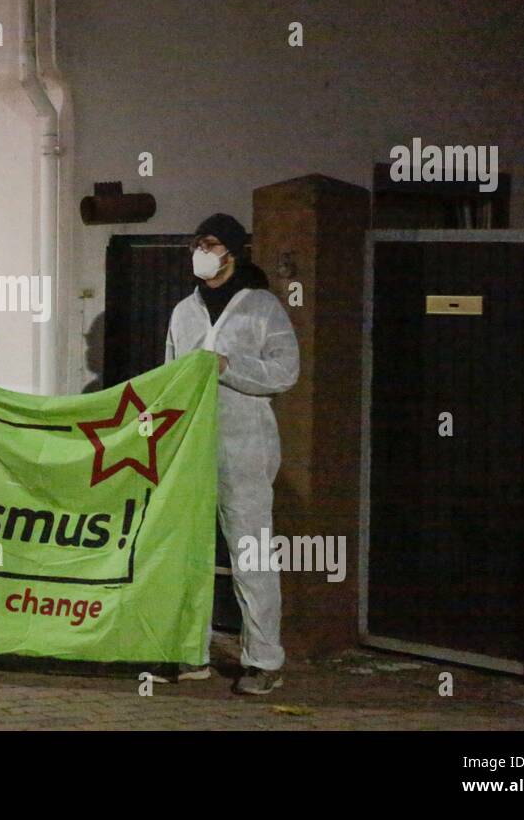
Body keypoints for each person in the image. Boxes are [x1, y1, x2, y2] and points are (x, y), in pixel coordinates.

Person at [162, 213, 299, 695]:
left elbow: (286, 371)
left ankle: (263, 659)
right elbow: (170, 379)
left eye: (212, 243)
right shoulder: (183, 312)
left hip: (246, 449)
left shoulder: (262, 308)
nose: (203, 250)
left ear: (233, 252)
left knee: (251, 555)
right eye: (198, 242)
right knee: (189, 554)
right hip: (194, 449)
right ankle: (189, 650)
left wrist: (228, 365)